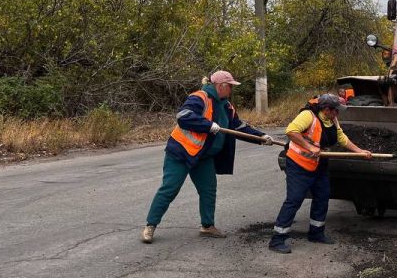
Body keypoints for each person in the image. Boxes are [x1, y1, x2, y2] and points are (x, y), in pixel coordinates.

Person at [142, 70, 273, 244]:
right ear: (221, 86)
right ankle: (150, 225)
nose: (231, 90)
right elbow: (183, 117)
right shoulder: (199, 98)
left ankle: (207, 226)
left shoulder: (227, 107)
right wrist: (208, 125)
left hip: (203, 157)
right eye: (230, 87)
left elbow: (238, 127)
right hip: (181, 153)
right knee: (169, 189)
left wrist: (261, 137)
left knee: (208, 190)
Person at [269, 93, 372, 254]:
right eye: (336, 111)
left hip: (319, 165)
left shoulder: (332, 119)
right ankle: (277, 239)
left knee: (322, 196)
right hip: (299, 164)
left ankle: (316, 233)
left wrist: (360, 151)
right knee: (294, 200)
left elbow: (341, 138)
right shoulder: (308, 116)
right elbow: (291, 131)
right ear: (326, 109)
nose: (338, 114)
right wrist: (309, 147)